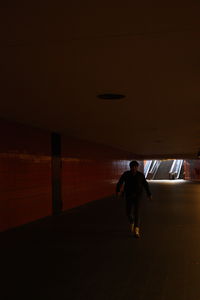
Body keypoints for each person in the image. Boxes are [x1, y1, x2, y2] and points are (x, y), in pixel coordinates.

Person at [116, 160, 152, 238]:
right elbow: (120, 182)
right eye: (132, 167)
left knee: (137, 212)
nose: (134, 168)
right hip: (128, 196)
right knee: (128, 212)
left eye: (135, 167)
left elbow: (145, 184)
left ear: (137, 167)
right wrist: (118, 191)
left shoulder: (140, 175)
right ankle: (131, 221)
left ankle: (136, 230)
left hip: (138, 196)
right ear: (130, 167)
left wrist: (149, 194)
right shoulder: (126, 174)